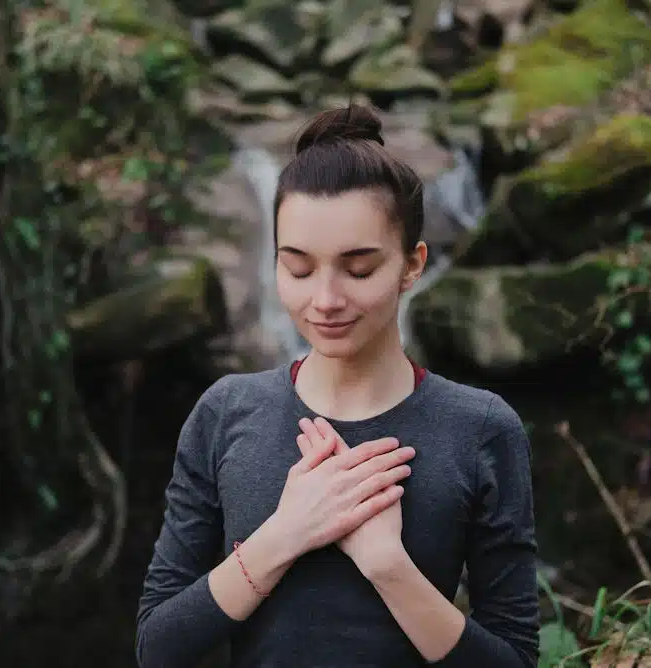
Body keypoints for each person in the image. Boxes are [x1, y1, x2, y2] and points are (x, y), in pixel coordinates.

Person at [135, 105, 539, 668]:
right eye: (297, 269)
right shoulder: (225, 412)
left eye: (358, 269)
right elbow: (157, 647)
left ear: (412, 265)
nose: (324, 300)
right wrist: (285, 535)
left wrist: (388, 568)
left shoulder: (480, 428)